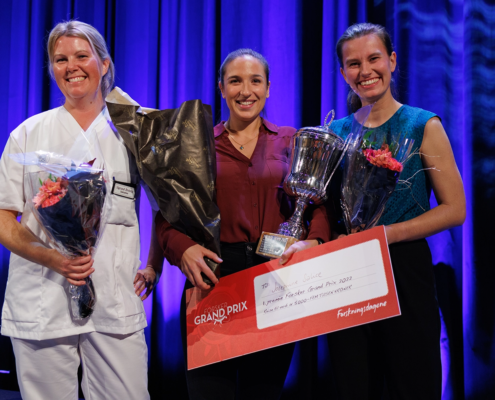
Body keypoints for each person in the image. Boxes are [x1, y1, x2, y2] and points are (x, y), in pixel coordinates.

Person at [155, 48, 331, 399]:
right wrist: (183, 249)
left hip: (275, 276)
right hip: (214, 277)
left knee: (262, 392)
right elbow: (166, 215)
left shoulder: (291, 140)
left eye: (255, 81)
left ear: (268, 88)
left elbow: (318, 206)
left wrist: (315, 242)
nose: (245, 90)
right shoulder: (196, 147)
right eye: (235, 81)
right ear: (221, 88)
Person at [0, 20, 162, 400]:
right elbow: (4, 219)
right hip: (43, 298)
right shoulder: (27, 134)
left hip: (114, 297)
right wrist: (54, 259)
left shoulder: (137, 129)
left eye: (82, 56)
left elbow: (167, 205)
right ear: (52, 68)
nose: (71, 66)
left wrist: (153, 262)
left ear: (104, 64)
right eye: (60, 59)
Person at [326, 23, 466, 399]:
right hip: (348, 272)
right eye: (353, 64)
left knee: (413, 382)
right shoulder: (336, 133)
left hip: (404, 267)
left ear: (392, 61)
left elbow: (455, 210)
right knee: (355, 384)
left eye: (374, 58)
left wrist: (388, 234)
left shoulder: (423, 124)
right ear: (343, 74)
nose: (365, 70)